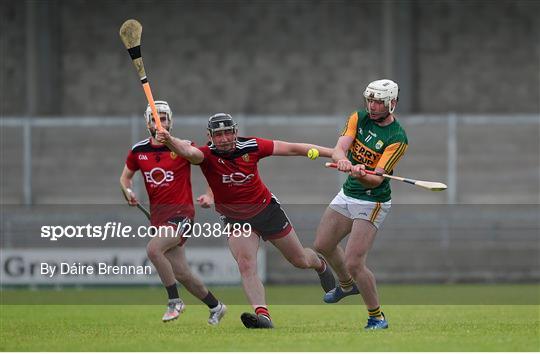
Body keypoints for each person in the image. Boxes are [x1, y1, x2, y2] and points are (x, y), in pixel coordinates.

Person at [156, 113, 336, 329]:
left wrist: (333, 153)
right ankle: (263, 316)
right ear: (209, 136)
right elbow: (188, 152)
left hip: (267, 211)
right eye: (218, 134)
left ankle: (320, 263)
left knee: (299, 260)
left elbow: (293, 148)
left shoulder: (253, 146)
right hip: (236, 219)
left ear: (236, 131)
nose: (224, 138)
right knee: (246, 264)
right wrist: (169, 140)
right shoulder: (205, 155)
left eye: (228, 132)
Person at [119, 100, 227, 325]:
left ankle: (174, 302)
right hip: (159, 217)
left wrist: (209, 195)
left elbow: (208, 167)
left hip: (182, 214)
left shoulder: (182, 146)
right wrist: (127, 191)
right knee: (182, 273)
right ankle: (216, 306)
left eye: (164, 118)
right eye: (155, 118)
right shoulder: (138, 151)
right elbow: (125, 178)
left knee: (153, 249)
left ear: (170, 121)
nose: (160, 123)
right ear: (147, 122)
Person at [313, 79, 408, 330]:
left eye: (379, 102)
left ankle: (377, 317)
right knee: (322, 244)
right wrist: (343, 160)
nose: (373, 106)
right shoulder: (358, 118)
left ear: (392, 103)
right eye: (370, 100)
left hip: (372, 199)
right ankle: (346, 285)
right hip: (348, 193)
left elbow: (377, 179)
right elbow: (339, 148)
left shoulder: (398, 138)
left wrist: (360, 172)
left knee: (355, 262)